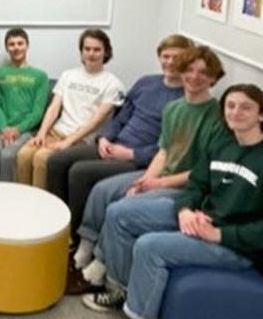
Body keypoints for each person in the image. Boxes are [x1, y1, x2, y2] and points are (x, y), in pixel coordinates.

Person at [82, 85, 263, 319]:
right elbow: (197, 184)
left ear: (262, 115)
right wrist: (185, 209)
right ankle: (124, 291)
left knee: (150, 246)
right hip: (200, 219)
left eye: (246, 107)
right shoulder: (223, 144)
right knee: (119, 213)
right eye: (230, 105)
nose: (236, 112)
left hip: (235, 245)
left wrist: (219, 234)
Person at [72, 45, 228, 290]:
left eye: (203, 72)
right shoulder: (173, 109)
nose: (194, 77)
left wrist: (158, 184)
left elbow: (204, 171)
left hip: (187, 186)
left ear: (213, 78)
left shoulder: (217, 116)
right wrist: (145, 180)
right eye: (189, 70)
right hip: (161, 175)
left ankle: (104, 266)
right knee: (103, 190)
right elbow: (164, 152)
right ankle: (85, 249)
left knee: (120, 207)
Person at [46, 33, 191, 230]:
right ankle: (54, 222)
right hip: (112, 145)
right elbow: (121, 116)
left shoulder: (186, 99)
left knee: (79, 172)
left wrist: (132, 154)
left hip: (137, 159)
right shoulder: (146, 83)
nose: (170, 62)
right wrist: (104, 138)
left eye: (177, 57)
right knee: (57, 160)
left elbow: (171, 148)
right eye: (166, 56)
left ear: (188, 59)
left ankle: (73, 232)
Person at [15, 29, 124, 189]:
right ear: (81, 52)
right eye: (87, 49)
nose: (91, 54)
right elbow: (54, 107)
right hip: (56, 132)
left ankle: (40, 207)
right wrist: (41, 134)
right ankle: (21, 200)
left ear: (106, 52)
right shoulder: (68, 75)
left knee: (41, 159)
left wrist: (68, 142)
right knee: (23, 155)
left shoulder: (113, 84)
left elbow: (96, 121)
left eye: (97, 49)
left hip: (82, 139)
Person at [0, 28, 48, 183]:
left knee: (8, 155)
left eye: (20, 43)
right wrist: (4, 129)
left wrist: (17, 130)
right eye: (11, 44)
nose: (16, 47)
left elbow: (37, 112)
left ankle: (6, 200)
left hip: (25, 130)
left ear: (27, 46)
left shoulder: (40, 76)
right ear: (7, 48)